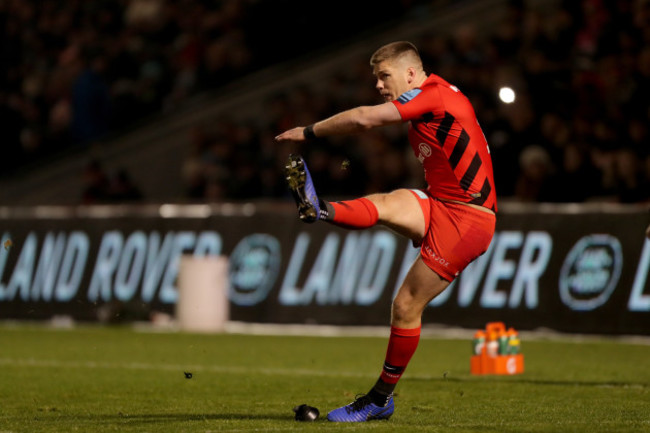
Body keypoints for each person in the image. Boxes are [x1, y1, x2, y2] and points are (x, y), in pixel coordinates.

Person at [275, 41, 497, 422]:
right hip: (443, 204)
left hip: (468, 219)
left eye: (384, 76)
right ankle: (319, 208)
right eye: (376, 77)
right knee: (386, 202)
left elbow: (364, 119)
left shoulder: (434, 96)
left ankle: (380, 398)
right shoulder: (436, 96)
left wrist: (309, 132)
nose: (378, 85)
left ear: (410, 73)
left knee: (406, 307)